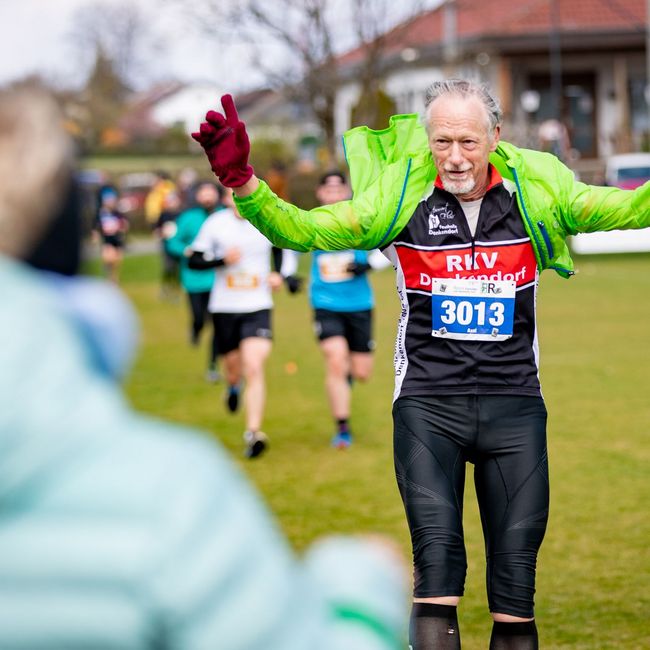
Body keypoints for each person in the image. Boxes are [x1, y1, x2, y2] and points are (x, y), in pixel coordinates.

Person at [192, 82, 650, 649]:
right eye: (441, 142)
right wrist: (244, 183)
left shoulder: (540, 195)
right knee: (436, 578)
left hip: (515, 410)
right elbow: (304, 230)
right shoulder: (399, 199)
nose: (454, 157)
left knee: (515, 595)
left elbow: (630, 206)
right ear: (426, 142)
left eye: (467, 141)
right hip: (428, 410)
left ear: (496, 138)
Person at [0, 83, 409, 650]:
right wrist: (360, 592)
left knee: (276, 367)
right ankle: (253, 411)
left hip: (272, 307)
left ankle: (257, 417)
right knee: (253, 367)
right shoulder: (166, 498)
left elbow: (297, 244)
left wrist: (284, 267)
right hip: (228, 308)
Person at [187, 187, 298, 458]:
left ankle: (253, 433)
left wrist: (278, 275)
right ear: (226, 199)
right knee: (234, 368)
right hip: (224, 307)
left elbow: (283, 249)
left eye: (241, 195)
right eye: (231, 196)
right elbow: (195, 260)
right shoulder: (215, 224)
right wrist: (222, 260)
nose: (237, 200)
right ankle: (233, 386)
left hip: (257, 305)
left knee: (254, 366)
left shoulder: (264, 219)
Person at [310, 171, 390, 449]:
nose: (333, 192)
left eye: (338, 187)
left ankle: (344, 381)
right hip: (325, 304)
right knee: (335, 359)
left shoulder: (360, 218)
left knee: (361, 372)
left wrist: (368, 264)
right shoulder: (313, 220)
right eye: (328, 187)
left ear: (347, 192)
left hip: (359, 304)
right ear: (320, 193)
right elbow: (284, 246)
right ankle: (342, 428)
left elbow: (389, 242)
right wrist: (285, 276)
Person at [164, 181, 223, 382]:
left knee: (218, 325)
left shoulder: (225, 215)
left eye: (210, 193)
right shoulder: (188, 218)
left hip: (219, 278)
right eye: (203, 193)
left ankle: (213, 366)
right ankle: (196, 329)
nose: (207, 197)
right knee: (199, 318)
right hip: (194, 278)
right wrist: (186, 251)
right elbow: (173, 242)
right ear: (197, 196)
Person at [92, 183, 128, 283]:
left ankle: (114, 278)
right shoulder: (100, 213)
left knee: (117, 260)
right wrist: (95, 236)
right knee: (108, 259)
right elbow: (95, 227)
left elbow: (124, 224)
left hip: (117, 239)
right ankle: (108, 276)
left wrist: (122, 228)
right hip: (106, 239)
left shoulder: (117, 213)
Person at [154, 189, 182, 301]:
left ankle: (176, 290)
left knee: (177, 269)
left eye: (173, 201)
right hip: (166, 246)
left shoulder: (181, 214)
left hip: (178, 246)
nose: (171, 203)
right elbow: (157, 230)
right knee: (167, 268)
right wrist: (161, 233)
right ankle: (165, 289)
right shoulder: (164, 214)